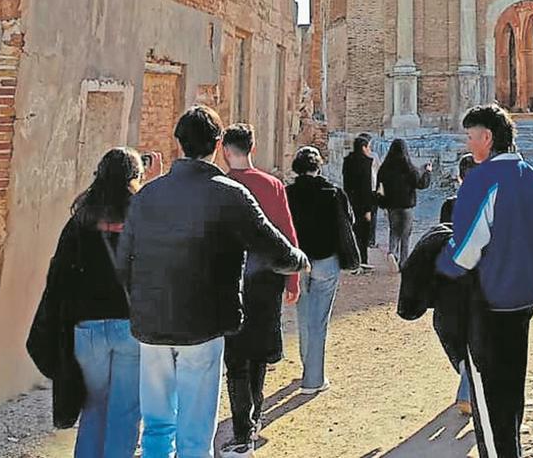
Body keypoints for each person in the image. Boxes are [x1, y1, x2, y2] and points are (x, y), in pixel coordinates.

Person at [117, 106, 309, 458]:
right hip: (202, 323)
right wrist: (299, 261)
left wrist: (140, 302)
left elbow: (123, 260)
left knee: (157, 425)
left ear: (178, 143)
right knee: (194, 429)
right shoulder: (227, 192)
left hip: (151, 322)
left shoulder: (147, 195)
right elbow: (274, 245)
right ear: (218, 144)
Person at [438, 104, 533, 458]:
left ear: (487, 138)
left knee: (489, 402)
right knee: (512, 388)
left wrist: (440, 262)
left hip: (490, 304)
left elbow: (465, 253)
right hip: (525, 301)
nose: (469, 144)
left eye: (471, 137)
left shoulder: (481, 180)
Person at [29, 148, 144, 458]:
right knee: (125, 412)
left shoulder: (80, 220)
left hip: (87, 328)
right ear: (134, 179)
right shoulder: (141, 219)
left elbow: (59, 278)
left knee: (93, 409)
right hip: (129, 326)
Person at [217, 124, 302, 458]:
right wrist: (292, 281)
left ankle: (242, 431)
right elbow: (287, 236)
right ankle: (252, 418)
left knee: (236, 357)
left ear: (225, 148)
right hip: (266, 280)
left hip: (229, 280)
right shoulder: (273, 185)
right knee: (257, 354)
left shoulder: (220, 185)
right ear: (253, 147)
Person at [287, 146, 358, 395]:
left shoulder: (288, 194)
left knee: (304, 317)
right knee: (319, 321)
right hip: (326, 260)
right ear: (318, 167)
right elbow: (349, 221)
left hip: (298, 260)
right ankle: (313, 379)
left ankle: (308, 366)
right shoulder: (333, 192)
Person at [440, 151, 479, 415]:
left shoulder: (450, 205)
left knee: (460, 332)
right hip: (483, 277)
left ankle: (466, 387)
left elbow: (442, 238)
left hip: (455, 277)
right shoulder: (491, 201)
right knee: (476, 333)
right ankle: (469, 388)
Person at [376, 137, 432, 271]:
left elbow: (379, 188)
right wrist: (427, 172)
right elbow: (421, 184)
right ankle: (403, 262)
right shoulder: (409, 168)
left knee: (394, 231)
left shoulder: (384, 168)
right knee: (405, 234)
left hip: (391, 205)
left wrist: (381, 203)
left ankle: (392, 253)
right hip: (407, 205)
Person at [342, 134, 377, 271]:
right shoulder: (366, 162)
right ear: (363, 148)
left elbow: (346, 184)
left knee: (352, 232)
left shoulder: (347, 161)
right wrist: (368, 209)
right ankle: (363, 260)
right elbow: (366, 187)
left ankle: (353, 260)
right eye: (368, 147)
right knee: (363, 235)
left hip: (351, 201)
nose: (369, 150)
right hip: (363, 204)